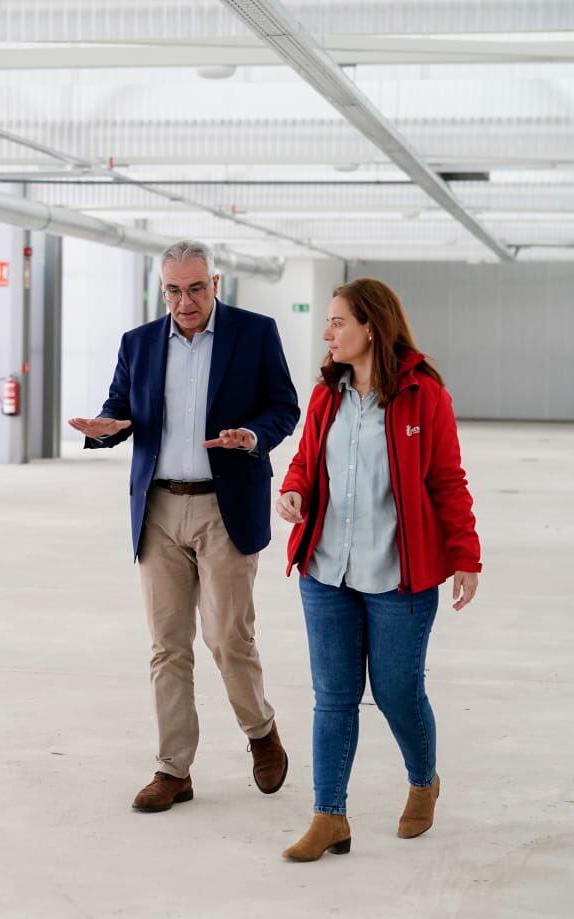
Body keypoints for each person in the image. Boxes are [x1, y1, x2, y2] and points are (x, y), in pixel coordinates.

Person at [68, 240, 300, 813]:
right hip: (160, 509)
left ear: (215, 283)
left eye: (196, 288)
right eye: (174, 290)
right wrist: (104, 429)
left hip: (226, 506)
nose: (185, 301)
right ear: (163, 288)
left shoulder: (255, 333)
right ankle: (174, 769)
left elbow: (284, 406)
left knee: (227, 639)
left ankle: (260, 731)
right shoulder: (140, 342)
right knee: (167, 646)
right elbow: (121, 408)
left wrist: (252, 436)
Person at [275, 277, 481, 861]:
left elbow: (447, 481)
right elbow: (305, 464)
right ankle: (329, 816)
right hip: (326, 573)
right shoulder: (325, 395)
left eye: (338, 321)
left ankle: (423, 780)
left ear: (371, 326)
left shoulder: (424, 396)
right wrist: (293, 493)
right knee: (333, 696)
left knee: (395, 691)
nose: (328, 332)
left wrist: (466, 555)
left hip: (399, 575)